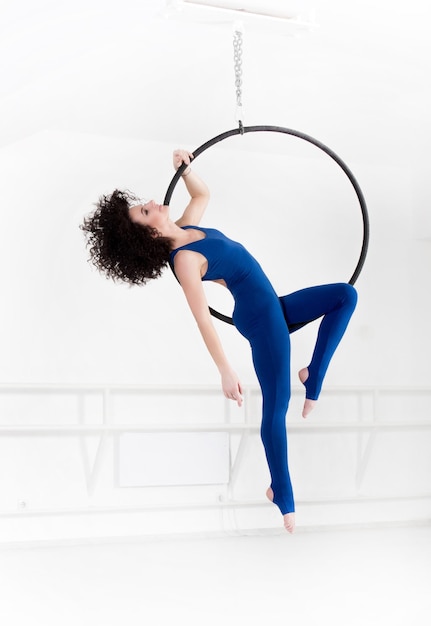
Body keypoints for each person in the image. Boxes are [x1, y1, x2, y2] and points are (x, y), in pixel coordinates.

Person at [81, 149, 358, 533]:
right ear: (150, 233)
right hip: (261, 321)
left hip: (273, 308)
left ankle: (313, 375)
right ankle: (283, 492)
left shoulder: (185, 228)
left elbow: (201, 196)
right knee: (276, 408)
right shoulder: (183, 260)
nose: (148, 203)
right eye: (144, 213)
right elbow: (203, 319)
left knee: (345, 295)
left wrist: (186, 170)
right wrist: (225, 370)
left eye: (142, 206)